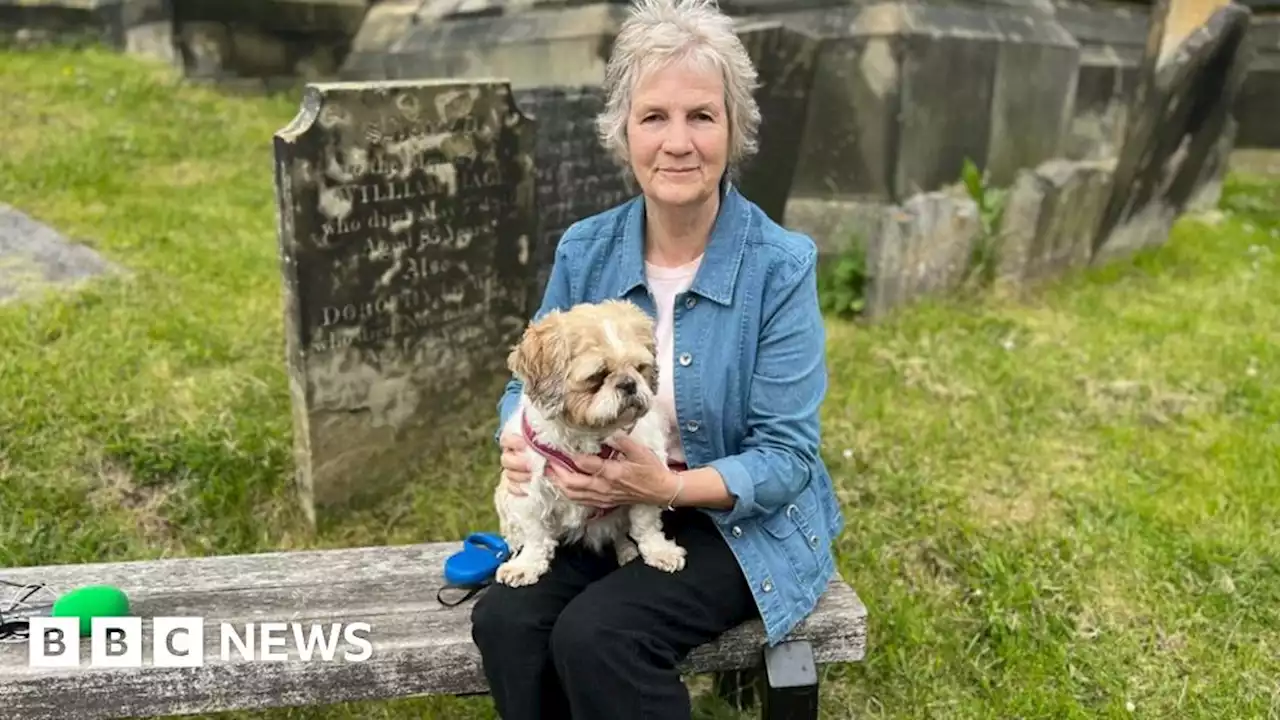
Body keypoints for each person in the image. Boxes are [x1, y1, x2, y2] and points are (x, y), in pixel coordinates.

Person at [470, 0, 844, 716]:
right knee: (507, 622)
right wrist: (514, 442)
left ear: (734, 130)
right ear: (623, 132)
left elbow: (788, 457)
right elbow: (529, 382)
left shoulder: (780, 266)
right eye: (654, 117)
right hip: (597, 506)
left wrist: (665, 487)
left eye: (702, 116)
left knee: (600, 635)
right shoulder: (587, 247)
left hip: (729, 523)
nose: (678, 142)